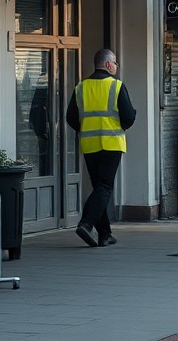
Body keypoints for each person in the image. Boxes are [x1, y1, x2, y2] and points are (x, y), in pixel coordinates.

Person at [66, 48, 136, 248]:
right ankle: (86, 224)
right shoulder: (116, 85)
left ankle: (105, 234)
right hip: (111, 143)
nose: (116, 66)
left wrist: (86, 128)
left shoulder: (81, 87)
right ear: (107, 64)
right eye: (115, 62)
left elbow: (71, 117)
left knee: (99, 187)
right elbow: (128, 117)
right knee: (105, 187)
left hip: (89, 144)